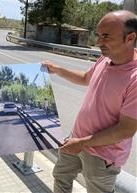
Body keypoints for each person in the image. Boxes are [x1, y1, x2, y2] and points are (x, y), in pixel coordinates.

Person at [43, 10, 137, 193]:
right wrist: (57, 70)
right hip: (76, 138)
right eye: (98, 36)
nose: (98, 42)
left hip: (102, 155)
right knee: (61, 178)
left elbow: (126, 129)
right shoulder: (106, 58)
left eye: (106, 37)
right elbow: (86, 78)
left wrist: (81, 143)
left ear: (130, 37)